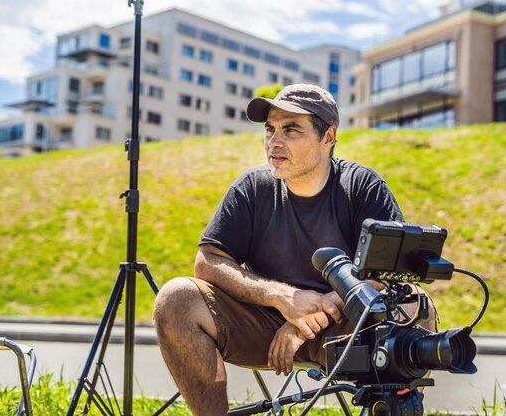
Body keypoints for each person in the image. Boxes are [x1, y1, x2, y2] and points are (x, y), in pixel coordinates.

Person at [153, 84, 436, 416]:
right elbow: (209, 262)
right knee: (177, 298)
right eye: (270, 130)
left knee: (414, 304)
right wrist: (282, 298)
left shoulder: (362, 186)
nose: (274, 141)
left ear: (327, 137)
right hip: (264, 325)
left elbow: (387, 273)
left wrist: (306, 320)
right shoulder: (252, 188)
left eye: (291, 130)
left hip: (347, 326)